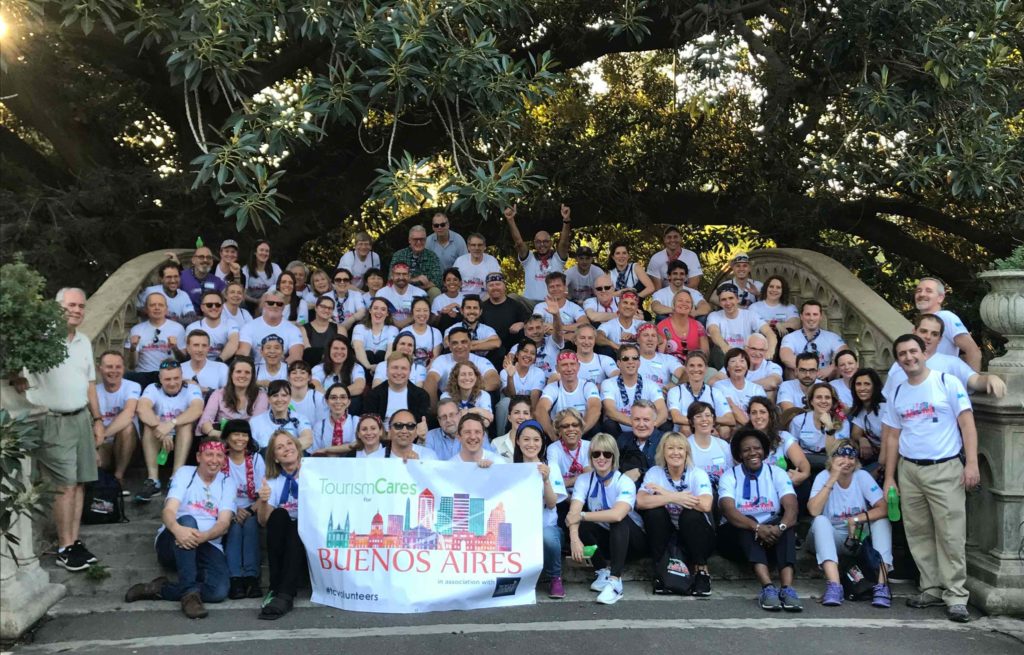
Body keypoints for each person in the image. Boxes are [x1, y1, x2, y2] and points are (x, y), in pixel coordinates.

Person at [881, 334, 978, 623]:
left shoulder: (946, 382)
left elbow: (967, 424)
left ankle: (956, 594)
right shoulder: (898, 391)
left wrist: (971, 463)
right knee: (918, 532)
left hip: (945, 467)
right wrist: (890, 477)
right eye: (902, 354)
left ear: (924, 352)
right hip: (910, 470)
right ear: (898, 359)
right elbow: (893, 437)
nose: (909, 357)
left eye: (913, 351)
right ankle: (931, 587)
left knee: (950, 533)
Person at [12, 287, 104, 572]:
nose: (77, 310)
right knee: (64, 485)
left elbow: (90, 384)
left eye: (81, 306)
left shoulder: (84, 342)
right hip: (51, 420)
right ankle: (65, 546)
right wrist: (16, 378)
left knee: (79, 483)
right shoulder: (39, 341)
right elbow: (14, 364)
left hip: (80, 419)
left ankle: (73, 542)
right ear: (57, 307)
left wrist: (98, 419)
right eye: (71, 305)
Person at [123, 437, 233, 618]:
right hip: (173, 541)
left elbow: (223, 523)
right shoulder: (185, 473)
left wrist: (203, 537)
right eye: (209, 454)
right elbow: (168, 511)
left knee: (218, 592)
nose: (214, 460)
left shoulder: (226, 482)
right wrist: (177, 529)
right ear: (198, 457)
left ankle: (159, 589)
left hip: (207, 543)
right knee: (188, 520)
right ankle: (190, 595)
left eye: (219, 455)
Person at [718, 427, 801, 612]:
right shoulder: (729, 476)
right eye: (746, 450)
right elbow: (728, 509)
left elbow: (791, 507)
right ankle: (767, 588)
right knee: (745, 523)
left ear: (763, 451)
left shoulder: (776, 473)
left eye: (756, 448)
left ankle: (787, 589)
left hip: (772, 535)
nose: (752, 453)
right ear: (739, 454)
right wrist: (757, 528)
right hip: (736, 539)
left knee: (787, 524)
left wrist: (779, 527)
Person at [808, 440, 893, 608]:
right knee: (820, 521)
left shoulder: (862, 476)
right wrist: (833, 478)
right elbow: (813, 510)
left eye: (851, 457)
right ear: (831, 459)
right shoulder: (823, 477)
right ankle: (834, 586)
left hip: (857, 536)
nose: (846, 461)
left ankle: (882, 585)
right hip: (832, 537)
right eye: (841, 456)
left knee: (881, 522)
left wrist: (855, 519)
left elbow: (883, 509)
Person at [567, 433, 646, 605]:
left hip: (632, 540)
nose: (601, 458)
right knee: (583, 526)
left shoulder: (624, 482)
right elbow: (573, 512)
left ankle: (615, 581)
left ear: (614, 456)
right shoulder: (584, 480)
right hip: (608, 540)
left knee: (617, 520)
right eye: (596, 454)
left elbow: (617, 514)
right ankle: (602, 570)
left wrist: (581, 515)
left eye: (606, 454)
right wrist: (574, 538)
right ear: (591, 457)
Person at [636, 432, 716, 596]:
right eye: (670, 448)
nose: (675, 452)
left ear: (687, 452)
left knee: (691, 515)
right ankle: (661, 570)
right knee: (654, 513)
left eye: (680, 448)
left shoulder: (697, 473)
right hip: (667, 533)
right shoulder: (655, 472)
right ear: (663, 452)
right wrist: (675, 497)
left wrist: (664, 494)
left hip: (696, 534)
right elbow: (641, 502)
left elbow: (706, 504)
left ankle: (701, 572)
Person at [882, 313, 1007, 399]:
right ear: (914, 332)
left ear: (940, 339)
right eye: (923, 331)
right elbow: (888, 403)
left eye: (934, 334)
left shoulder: (951, 363)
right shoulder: (899, 365)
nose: (928, 337)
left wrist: (990, 378)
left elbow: (975, 380)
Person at [135, 360, 205, 502]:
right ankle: (153, 479)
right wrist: (159, 427)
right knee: (150, 424)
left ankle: (175, 477)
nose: (172, 383)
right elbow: (142, 408)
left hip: (183, 439)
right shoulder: (153, 388)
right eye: (167, 379)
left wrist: (172, 423)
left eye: (176, 378)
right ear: (160, 379)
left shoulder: (191, 388)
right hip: (158, 438)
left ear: (181, 376)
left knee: (185, 424)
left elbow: (197, 409)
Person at [514, 420, 568, 598]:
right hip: (520, 528)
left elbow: (552, 503)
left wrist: (545, 480)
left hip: (547, 528)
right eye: (526, 439)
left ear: (542, 443)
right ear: (518, 441)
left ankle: (555, 578)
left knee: (548, 536)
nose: (531, 444)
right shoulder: (510, 469)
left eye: (536, 440)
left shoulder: (550, 468)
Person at [257, 431, 307, 619]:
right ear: (275, 458)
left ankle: (284, 593)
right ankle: (276, 586)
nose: (286, 448)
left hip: (308, 529)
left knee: (297, 526)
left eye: (289, 443)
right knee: (279, 515)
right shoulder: (272, 480)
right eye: (280, 447)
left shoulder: (313, 472)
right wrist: (263, 501)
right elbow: (263, 521)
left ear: (297, 447)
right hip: (283, 531)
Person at [219, 419, 266, 600]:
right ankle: (235, 579)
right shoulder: (220, 458)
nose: (240, 438)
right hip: (226, 508)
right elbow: (216, 491)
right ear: (227, 437)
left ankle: (251, 578)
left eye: (244, 434)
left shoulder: (255, 459)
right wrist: (233, 510)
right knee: (235, 528)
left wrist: (250, 510)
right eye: (236, 434)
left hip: (253, 506)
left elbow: (263, 490)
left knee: (250, 525)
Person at [504, 203, 572, 304]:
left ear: (551, 243)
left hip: (553, 303)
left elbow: (564, 244)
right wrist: (510, 220)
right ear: (534, 243)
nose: (542, 245)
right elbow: (518, 242)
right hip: (531, 304)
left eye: (545, 241)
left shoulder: (557, 258)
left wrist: (566, 220)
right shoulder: (529, 259)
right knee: (512, 297)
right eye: (538, 242)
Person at [914, 277, 981, 369]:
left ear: (940, 298)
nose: (921, 294)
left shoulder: (946, 317)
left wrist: (972, 380)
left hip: (943, 381)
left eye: (928, 291)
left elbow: (973, 351)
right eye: (918, 291)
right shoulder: (919, 323)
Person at [95, 350, 141, 487]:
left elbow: (128, 413)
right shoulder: (93, 391)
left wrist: (103, 435)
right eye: (109, 366)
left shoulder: (132, 386)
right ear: (99, 369)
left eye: (118, 367)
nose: (114, 371)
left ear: (124, 368)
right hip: (103, 445)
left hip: (126, 443)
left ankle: (118, 476)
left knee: (127, 427)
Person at [424, 327, 499, 409]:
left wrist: (466, 388)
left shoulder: (481, 361)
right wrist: (435, 410)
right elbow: (430, 380)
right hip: (448, 403)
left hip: (476, 404)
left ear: (470, 343)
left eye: (464, 342)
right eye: (455, 343)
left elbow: (494, 381)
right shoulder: (441, 360)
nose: (459, 346)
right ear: (449, 346)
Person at [600, 345, 667, 434]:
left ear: (639, 362)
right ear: (619, 363)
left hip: (646, 431)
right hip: (620, 433)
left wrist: (651, 425)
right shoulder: (608, 384)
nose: (630, 362)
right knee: (609, 424)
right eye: (625, 358)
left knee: (665, 425)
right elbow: (610, 411)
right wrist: (637, 424)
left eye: (634, 358)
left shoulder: (652, 385)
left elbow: (663, 412)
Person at [125, 292, 187, 388]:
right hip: (143, 374)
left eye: (160, 305)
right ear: (146, 309)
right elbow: (132, 366)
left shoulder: (178, 328)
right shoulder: (136, 330)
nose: (157, 308)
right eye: (152, 305)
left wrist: (175, 348)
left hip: (169, 374)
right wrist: (133, 348)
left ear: (166, 309)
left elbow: (183, 360)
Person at [746, 396, 811, 486]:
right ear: (749, 416)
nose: (758, 416)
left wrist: (803, 474)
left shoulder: (783, 436)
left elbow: (801, 461)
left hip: (779, 486)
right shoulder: (742, 439)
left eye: (762, 412)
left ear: (770, 415)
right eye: (754, 413)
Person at [537, 351, 602, 440]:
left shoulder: (588, 386)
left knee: (597, 428)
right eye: (564, 365)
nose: (569, 368)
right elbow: (541, 409)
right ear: (557, 368)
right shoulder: (552, 388)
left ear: (578, 366)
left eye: (572, 364)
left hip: (583, 432)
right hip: (559, 433)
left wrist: (578, 434)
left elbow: (595, 408)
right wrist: (552, 434)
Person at [706, 283, 776, 367]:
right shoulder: (714, 316)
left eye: (731, 298)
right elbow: (714, 332)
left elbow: (769, 333)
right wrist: (724, 346)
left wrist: (770, 350)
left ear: (737, 299)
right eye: (724, 300)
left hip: (747, 357)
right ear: (720, 303)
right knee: (717, 349)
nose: (728, 303)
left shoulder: (750, 315)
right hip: (726, 356)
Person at [199, 356, 268, 437]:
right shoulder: (218, 394)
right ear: (231, 374)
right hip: (221, 438)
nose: (242, 375)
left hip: (248, 440)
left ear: (252, 376)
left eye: (247, 372)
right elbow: (205, 422)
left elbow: (258, 425)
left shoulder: (261, 396)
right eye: (238, 371)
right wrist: (216, 433)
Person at [788, 382, 851, 470]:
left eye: (827, 398)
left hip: (831, 466)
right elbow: (792, 449)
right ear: (811, 401)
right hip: (804, 463)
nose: (823, 401)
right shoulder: (799, 420)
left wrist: (829, 427)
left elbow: (834, 454)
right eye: (818, 397)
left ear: (832, 402)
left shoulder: (843, 422)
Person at [779, 301, 848, 379]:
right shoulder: (790, 337)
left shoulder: (832, 337)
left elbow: (846, 355)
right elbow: (786, 357)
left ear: (821, 317)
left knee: (837, 368)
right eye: (808, 314)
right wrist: (811, 372)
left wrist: (831, 367)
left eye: (815, 314)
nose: (811, 318)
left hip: (824, 381)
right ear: (801, 316)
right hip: (800, 380)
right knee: (790, 370)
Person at [667, 351, 730, 434]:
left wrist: (708, 424)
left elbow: (730, 419)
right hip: (685, 435)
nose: (696, 369)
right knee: (685, 428)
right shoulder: (675, 391)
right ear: (686, 368)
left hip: (709, 432)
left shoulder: (715, 392)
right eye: (692, 366)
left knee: (725, 429)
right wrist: (704, 422)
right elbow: (676, 418)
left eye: (700, 365)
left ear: (706, 368)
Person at [237, 290, 304, 365]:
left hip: (283, 371)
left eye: (279, 304)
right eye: (270, 303)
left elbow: (296, 356)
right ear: (264, 304)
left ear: (283, 307)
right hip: (256, 370)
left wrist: (278, 369)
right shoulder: (249, 327)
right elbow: (243, 352)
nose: (275, 306)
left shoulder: (293, 330)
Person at [364, 351, 431, 425]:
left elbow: (420, 425)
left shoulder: (421, 396)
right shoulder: (373, 395)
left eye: (404, 368)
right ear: (386, 371)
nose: (399, 372)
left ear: (410, 372)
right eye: (395, 367)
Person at [249, 380, 315, 451]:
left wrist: (280, 451)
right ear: (268, 399)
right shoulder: (255, 421)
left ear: (290, 398)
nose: (279, 399)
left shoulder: (300, 418)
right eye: (275, 396)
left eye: (284, 395)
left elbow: (308, 439)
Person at [712, 348, 766, 430]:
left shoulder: (757, 389)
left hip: (754, 426)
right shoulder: (719, 386)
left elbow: (762, 413)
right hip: (733, 427)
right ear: (727, 368)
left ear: (747, 366)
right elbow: (728, 411)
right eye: (733, 361)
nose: (738, 365)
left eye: (742, 361)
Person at [686, 402, 733, 495]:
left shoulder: (723, 445)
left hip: (722, 493)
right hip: (696, 495)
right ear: (691, 422)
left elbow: (730, 474)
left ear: (713, 420)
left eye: (708, 415)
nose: (704, 419)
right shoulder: (685, 446)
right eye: (698, 416)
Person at [656, 289, 708, 366]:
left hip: (694, 367)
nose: (684, 304)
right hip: (670, 367)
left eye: (688, 302)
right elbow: (659, 356)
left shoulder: (698, 326)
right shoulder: (662, 326)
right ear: (673, 304)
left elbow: (705, 353)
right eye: (680, 300)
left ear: (691, 307)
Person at [480, 272, 530, 353]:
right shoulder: (481, 308)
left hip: (513, 352)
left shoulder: (516, 306)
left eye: (498, 284)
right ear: (487, 288)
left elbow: (530, 322)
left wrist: (522, 324)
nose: (495, 287)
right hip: (489, 353)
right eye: (491, 285)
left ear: (504, 286)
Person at [499, 339, 547, 423]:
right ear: (517, 354)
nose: (528, 355)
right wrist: (510, 376)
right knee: (505, 403)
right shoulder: (505, 371)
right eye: (525, 351)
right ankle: (501, 435)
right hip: (511, 408)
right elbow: (511, 396)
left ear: (535, 358)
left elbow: (534, 399)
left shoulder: (539, 373)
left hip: (529, 409)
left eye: (532, 353)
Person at [616, 400, 664, 482]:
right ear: (631, 420)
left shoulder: (666, 440)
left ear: (655, 421)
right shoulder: (623, 439)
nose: (641, 424)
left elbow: (671, 470)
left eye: (646, 420)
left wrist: (641, 472)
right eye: (637, 419)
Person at [186, 291, 240, 362]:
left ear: (222, 307)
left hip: (223, 363)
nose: (214, 307)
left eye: (218, 305)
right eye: (209, 305)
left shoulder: (231, 323)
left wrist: (219, 361)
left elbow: (233, 343)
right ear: (202, 308)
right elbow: (190, 351)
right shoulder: (192, 328)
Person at [311, 335, 367, 405]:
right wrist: (331, 398)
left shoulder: (356, 367)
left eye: (343, 349)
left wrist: (337, 396)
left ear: (348, 352)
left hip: (346, 406)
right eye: (335, 348)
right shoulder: (319, 368)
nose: (339, 352)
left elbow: (359, 386)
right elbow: (314, 385)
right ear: (329, 351)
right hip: (325, 404)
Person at [443, 295, 501, 360]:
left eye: (475, 308)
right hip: (458, 363)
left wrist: (469, 347)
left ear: (480, 312)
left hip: (481, 363)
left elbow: (497, 343)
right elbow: (448, 343)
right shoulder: (452, 328)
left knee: (500, 351)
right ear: (462, 311)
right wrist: (483, 341)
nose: (472, 311)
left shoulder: (487, 329)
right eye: (468, 308)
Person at [391, 225, 443, 297]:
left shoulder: (432, 256)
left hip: (425, 290)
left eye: (422, 239)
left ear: (425, 240)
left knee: (435, 291)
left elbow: (437, 281)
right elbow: (391, 278)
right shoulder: (399, 255)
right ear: (409, 240)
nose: (419, 242)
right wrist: (415, 279)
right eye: (415, 239)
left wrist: (417, 289)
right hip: (402, 289)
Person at [849, 368, 886, 468]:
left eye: (867, 384)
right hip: (873, 458)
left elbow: (890, 441)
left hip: (888, 458)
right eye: (858, 384)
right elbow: (855, 434)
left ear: (875, 387)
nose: (862, 388)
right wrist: (862, 439)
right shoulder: (861, 409)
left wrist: (881, 467)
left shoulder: (884, 408)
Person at [535, 272, 588, 341]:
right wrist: (565, 336)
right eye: (552, 286)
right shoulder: (540, 307)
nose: (555, 289)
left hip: (569, 345)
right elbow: (537, 325)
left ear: (565, 287)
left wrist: (560, 327)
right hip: (546, 343)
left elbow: (585, 324)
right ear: (547, 289)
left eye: (558, 285)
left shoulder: (574, 307)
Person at [310, 383, 361, 456]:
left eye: (343, 397)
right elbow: (316, 453)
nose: (338, 401)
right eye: (333, 398)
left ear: (349, 402)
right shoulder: (319, 426)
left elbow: (357, 445)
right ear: (327, 401)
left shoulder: (357, 421)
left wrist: (327, 449)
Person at [441, 361, 494, 427]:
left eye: (470, 374)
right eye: (463, 374)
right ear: (456, 378)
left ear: (476, 377)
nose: (467, 378)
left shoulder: (483, 395)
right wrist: (478, 412)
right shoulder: (446, 396)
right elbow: (450, 421)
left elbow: (488, 420)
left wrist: (470, 411)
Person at [636, 323, 684, 395]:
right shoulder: (631, 359)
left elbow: (681, 371)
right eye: (646, 335)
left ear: (657, 340)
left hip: (662, 399)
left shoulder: (667, 359)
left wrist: (673, 383)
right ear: (638, 340)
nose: (650, 339)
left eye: (653, 336)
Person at [352, 297, 398, 370]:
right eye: (376, 308)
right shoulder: (359, 328)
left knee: (380, 354)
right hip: (364, 366)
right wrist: (368, 366)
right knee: (368, 354)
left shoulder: (392, 329)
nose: (379, 312)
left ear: (387, 313)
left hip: (384, 368)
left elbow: (390, 350)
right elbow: (358, 348)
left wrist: (382, 368)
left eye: (383, 309)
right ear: (370, 310)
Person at [376, 263, 428, 327]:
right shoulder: (382, 293)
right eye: (398, 274)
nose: (401, 277)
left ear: (409, 276)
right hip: (388, 328)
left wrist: (403, 323)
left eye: (404, 274)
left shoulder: (420, 293)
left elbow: (424, 315)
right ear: (392, 276)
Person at [181, 329, 229, 396]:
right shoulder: (179, 369)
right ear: (188, 348)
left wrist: (206, 390)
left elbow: (229, 394)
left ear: (208, 348)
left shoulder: (221, 368)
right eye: (196, 345)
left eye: (204, 345)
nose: (200, 350)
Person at [454, 233, 501, 300]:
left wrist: (480, 304)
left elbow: (496, 286)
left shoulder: (492, 262)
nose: (476, 248)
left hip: (485, 301)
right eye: (473, 245)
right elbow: (453, 284)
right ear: (468, 247)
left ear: (484, 246)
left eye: (480, 245)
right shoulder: (460, 261)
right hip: (461, 300)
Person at [323, 267, 366, 335]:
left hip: (351, 329)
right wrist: (338, 327)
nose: (342, 282)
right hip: (331, 329)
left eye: (345, 280)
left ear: (350, 282)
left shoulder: (356, 294)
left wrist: (351, 320)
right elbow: (323, 314)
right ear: (333, 282)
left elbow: (362, 312)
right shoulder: (326, 296)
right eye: (338, 280)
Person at [493, 396, 533, 462]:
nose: (521, 417)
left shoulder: (536, 444)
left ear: (530, 418)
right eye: (516, 412)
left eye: (525, 413)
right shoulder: (496, 443)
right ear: (509, 417)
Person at [242, 240, 281, 307]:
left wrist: (266, 300)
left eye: (267, 251)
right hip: (249, 304)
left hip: (271, 303)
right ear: (255, 252)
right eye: (261, 250)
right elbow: (242, 294)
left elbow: (280, 288)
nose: (264, 253)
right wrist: (257, 301)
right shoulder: (246, 269)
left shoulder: (275, 268)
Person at [302, 294, 339, 364]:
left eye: (330, 308)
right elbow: (308, 353)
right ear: (316, 308)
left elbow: (341, 350)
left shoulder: (339, 328)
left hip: (334, 364)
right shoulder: (304, 329)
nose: (326, 310)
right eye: (323, 307)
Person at [287, 360, 325, 425]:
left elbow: (322, 424)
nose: (298, 376)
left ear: (309, 377)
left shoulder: (318, 398)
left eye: (302, 372)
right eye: (294, 373)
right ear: (288, 377)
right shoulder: (282, 397)